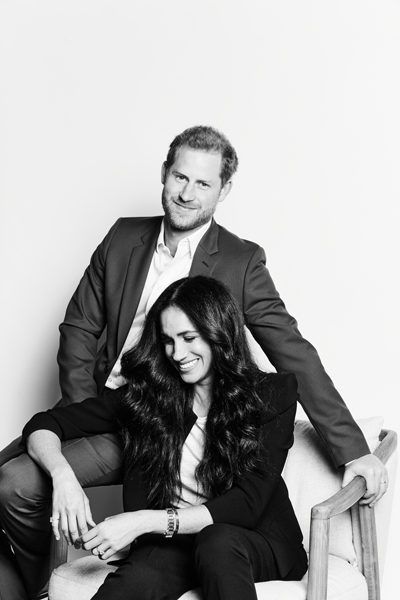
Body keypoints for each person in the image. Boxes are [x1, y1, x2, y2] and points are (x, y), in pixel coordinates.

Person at [0, 125, 386, 599]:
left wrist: (352, 449)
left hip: (182, 417)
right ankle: (37, 586)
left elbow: (293, 352)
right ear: (164, 174)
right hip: (129, 408)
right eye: (179, 177)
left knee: (188, 548)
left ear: (223, 190)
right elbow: (79, 329)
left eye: (202, 183)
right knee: (14, 483)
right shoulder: (123, 237)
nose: (186, 193)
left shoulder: (241, 261)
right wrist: (85, 422)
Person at [22, 276, 308, 600]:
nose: (177, 353)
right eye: (168, 340)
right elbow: (44, 424)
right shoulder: (147, 400)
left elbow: (246, 505)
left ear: (219, 332)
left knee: (217, 542)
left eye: (189, 337)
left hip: (256, 541)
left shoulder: (273, 393)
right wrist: (63, 478)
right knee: (136, 580)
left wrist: (142, 521)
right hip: (175, 545)